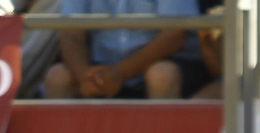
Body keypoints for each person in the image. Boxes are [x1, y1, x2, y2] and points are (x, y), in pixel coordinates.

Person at [45, 0, 210, 99]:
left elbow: (174, 36)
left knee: (162, 75)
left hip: (160, 62)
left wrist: (121, 73)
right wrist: (84, 75)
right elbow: (70, 34)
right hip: (101, 70)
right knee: (57, 77)